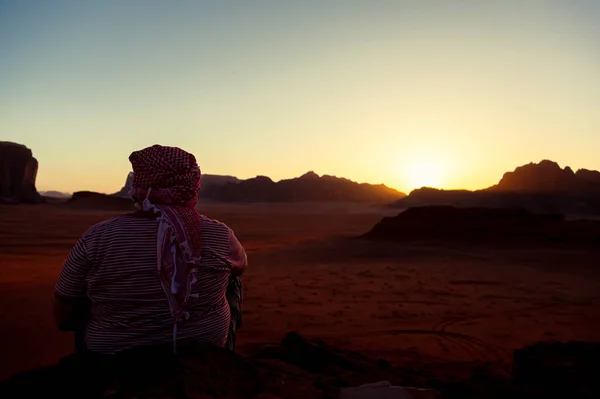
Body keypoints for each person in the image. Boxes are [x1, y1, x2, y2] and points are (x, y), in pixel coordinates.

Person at [53, 144, 247, 357]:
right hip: (202, 352)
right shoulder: (221, 234)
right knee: (231, 279)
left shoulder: (97, 237)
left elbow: (64, 315)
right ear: (193, 185)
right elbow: (241, 266)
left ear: (138, 187)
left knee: (82, 291)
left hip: (111, 358)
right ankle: (217, 355)